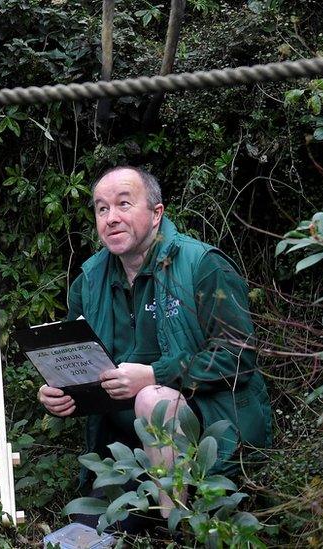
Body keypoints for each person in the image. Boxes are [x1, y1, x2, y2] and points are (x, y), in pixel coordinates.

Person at [37, 166, 271, 531]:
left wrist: (153, 376)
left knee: (152, 399)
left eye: (124, 204)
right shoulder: (89, 280)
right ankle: (141, 508)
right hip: (125, 452)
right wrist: (58, 391)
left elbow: (237, 354)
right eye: (101, 209)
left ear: (157, 213)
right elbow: (76, 359)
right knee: (80, 533)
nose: (111, 218)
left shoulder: (203, 265)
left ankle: (175, 525)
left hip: (210, 439)